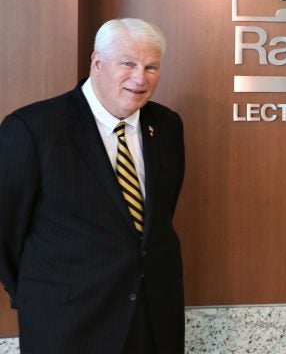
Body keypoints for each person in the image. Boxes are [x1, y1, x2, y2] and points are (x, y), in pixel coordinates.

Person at [0, 18, 185, 353]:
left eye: (151, 66)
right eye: (127, 63)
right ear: (97, 63)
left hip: (151, 321)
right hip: (68, 323)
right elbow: (5, 234)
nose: (140, 78)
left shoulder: (167, 125)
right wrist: (42, 293)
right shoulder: (32, 129)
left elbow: (157, 218)